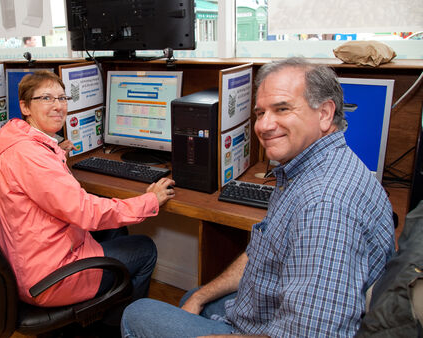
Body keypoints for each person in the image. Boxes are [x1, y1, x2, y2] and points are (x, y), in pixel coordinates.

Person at [121, 57, 396, 337]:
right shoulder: (309, 166)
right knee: (190, 297)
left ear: (325, 113)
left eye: (282, 109)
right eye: (260, 113)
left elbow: (309, 333)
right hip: (264, 310)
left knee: (137, 313)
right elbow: (262, 253)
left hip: (274, 329)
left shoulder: (325, 205)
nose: (264, 126)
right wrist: (201, 297)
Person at [0, 71, 175, 314]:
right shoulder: (30, 156)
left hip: (30, 260)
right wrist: (150, 200)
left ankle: (103, 308)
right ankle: (123, 326)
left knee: (116, 227)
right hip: (48, 279)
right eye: (46, 98)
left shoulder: (18, 141)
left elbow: (42, 184)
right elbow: (86, 212)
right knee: (144, 248)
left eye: (62, 98)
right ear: (25, 107)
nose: (58, 106)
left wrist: (54, 150)